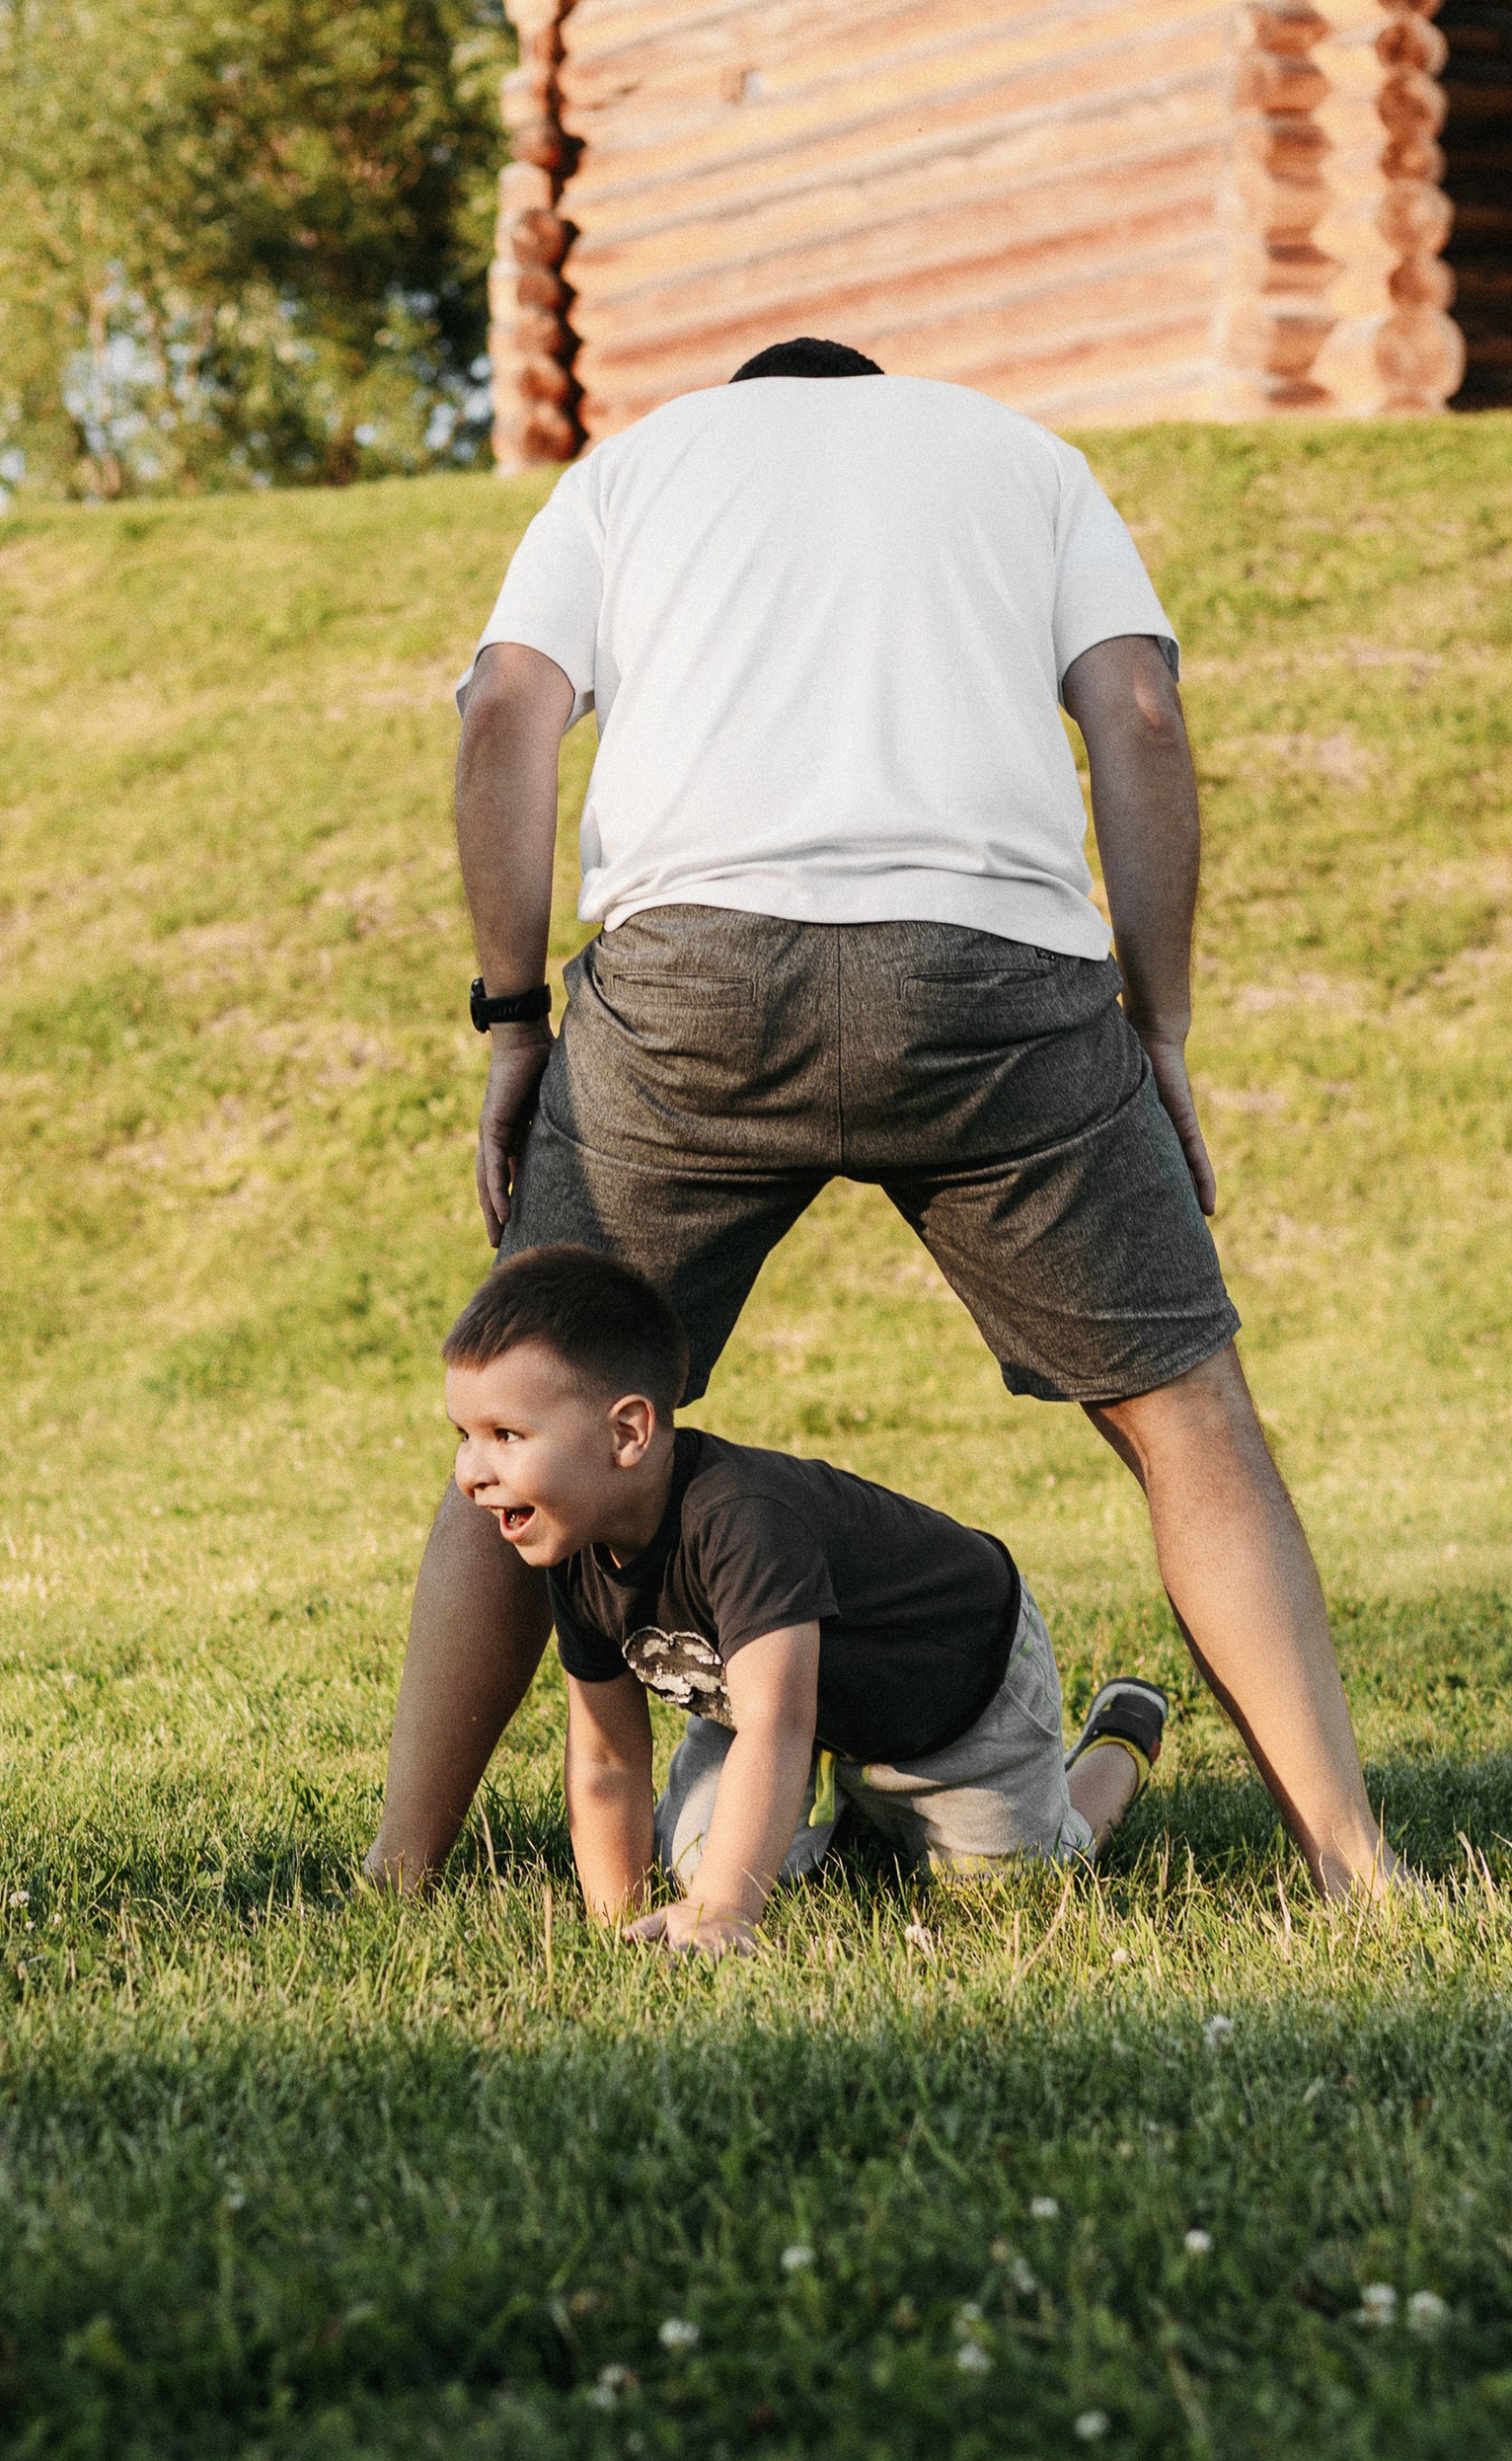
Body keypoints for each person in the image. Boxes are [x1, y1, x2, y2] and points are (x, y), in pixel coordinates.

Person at [369, 334, 1399, 1907]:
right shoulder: (1027, 459)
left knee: (531, 1411)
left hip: (689, 986)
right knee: (1190, 1422)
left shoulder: (632, 467)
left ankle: (397, 1871)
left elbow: (506, 713)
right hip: (992, 983)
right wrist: (1162, 1026)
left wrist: (514, 1022)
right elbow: (1136, 711)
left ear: (748, 405)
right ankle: (1353, 1866)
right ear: (877, 396)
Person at [444, 1246, 1174, 1948]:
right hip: (790, 1708)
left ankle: (1117, 1743)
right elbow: (607, 1763)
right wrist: (619, 1925)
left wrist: (725, 1913)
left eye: (506, 1434)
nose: (471, 1471)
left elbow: (775, 1727)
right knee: (694, 1868)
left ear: (629, 1431)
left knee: (1009, 1888)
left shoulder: (742, 1519)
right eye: (464, 1435)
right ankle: (846, 1803)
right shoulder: (576, 1555)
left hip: (953, 1697)